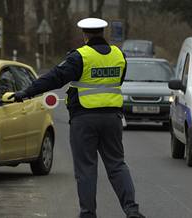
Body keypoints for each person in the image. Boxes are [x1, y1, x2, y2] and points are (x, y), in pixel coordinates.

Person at [9, 18, 145, 218]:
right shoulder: (119, 55)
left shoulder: (80, 57)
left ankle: (88, 214)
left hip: (85, 118)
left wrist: (26, 92)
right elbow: (118, 79)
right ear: (103, 32)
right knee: (117, 165)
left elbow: (54, 78)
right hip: (112, 118)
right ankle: (132, 211)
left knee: (86, 169)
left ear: (85, 34)